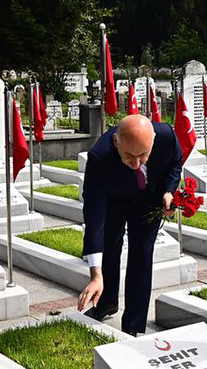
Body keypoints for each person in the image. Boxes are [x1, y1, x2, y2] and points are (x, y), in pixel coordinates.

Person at [78, 115, 182, 335]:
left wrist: (168, 191)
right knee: (109, 247)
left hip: (148, 201)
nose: (136, 164)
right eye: (129, 156)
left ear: (153, 140)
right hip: (114, 201)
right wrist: (95, 274)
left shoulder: (166, 137)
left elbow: (175, 163)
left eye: (143, 155)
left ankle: (133, 326)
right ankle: (105, 303)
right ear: (116, 142)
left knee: (142, 255)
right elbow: (94, 215)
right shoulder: (99, 157)